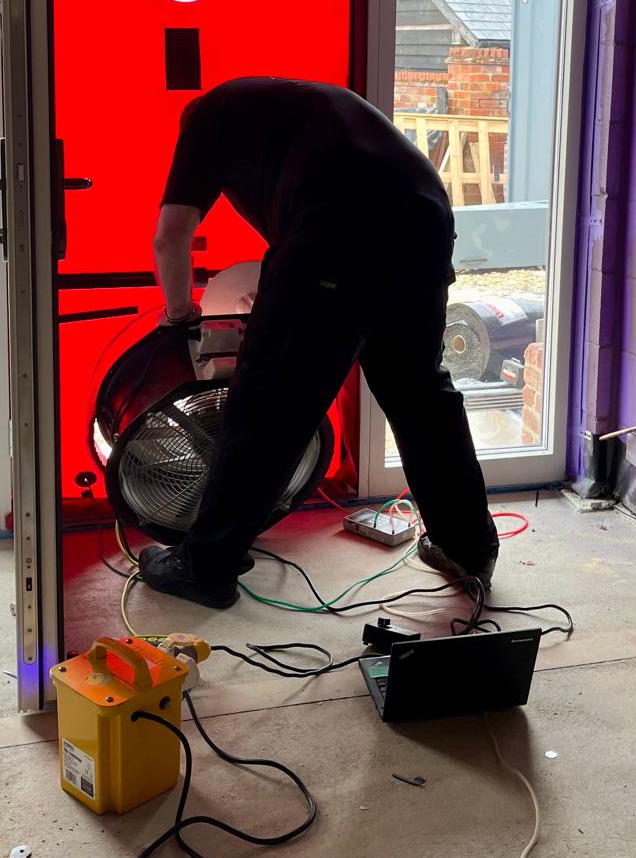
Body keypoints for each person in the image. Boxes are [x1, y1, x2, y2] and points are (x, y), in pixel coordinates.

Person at [140, 76, 499, 608]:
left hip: (336, 235)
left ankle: (205, 565)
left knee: (270, 403)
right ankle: (469, 548)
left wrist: (180, 316)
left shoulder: (204, 120)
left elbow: (171, 237)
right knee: (420, 395)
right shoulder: (296, 106)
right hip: (424, 226)